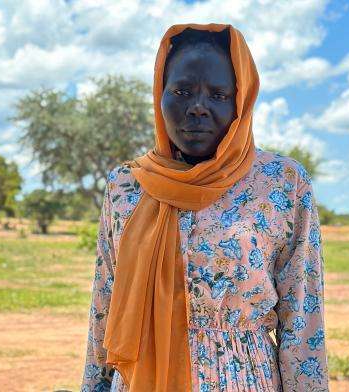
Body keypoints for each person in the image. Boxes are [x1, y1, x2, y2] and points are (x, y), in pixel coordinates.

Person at [81, 23, 329, 392]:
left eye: (217, 95)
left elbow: (302, 318)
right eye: (181, 91)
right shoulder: (127, 186)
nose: (197, 107)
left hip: (244, 380)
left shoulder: (283, 183)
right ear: (160, 95)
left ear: (239, 103)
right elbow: (105, 305)